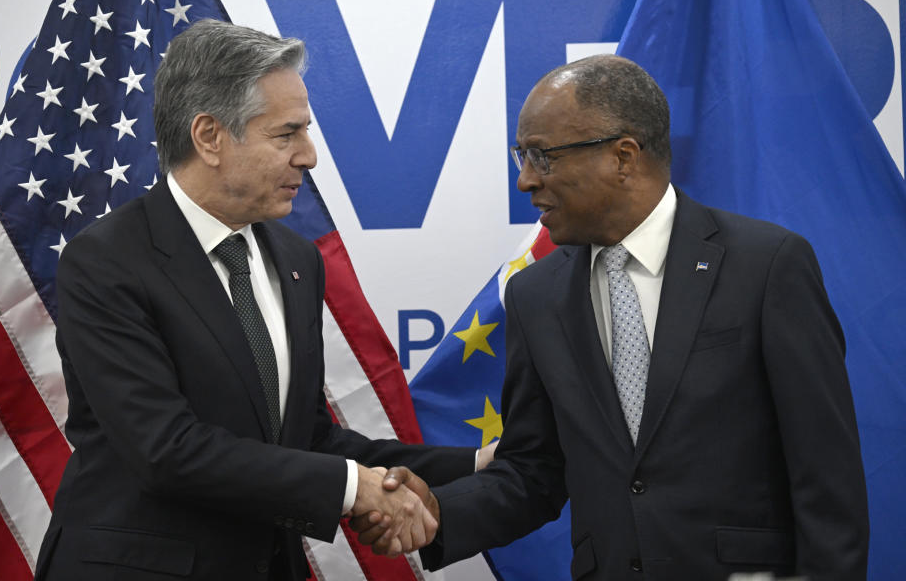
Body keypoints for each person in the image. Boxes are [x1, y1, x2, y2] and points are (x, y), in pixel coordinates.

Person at [356, 55, 869, 580]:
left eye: (542, 157)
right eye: (522, 158)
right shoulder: (536, 295)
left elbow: (826, 476)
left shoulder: (766, 266)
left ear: (624, 156)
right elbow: (534, 471)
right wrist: (441, 512)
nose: (526, 181)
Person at [33, 19, 480, 580]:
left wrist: (475, 465)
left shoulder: (296, 258)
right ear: (209, 137)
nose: (309, 156)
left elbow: (307, 436)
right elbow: (166, 450)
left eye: (306, 132)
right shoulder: (106, 261)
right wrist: (353, 488)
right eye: (286, 134)